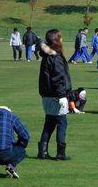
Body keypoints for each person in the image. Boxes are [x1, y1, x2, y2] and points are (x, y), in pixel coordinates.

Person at [38, 29, 72, 161]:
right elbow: (58, 78)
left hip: (47, 96)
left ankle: (43, 152)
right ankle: (60, 153)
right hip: (56, 96)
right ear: (56, 40)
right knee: (61, 123)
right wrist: (61, 95)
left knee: (49, 123)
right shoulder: (55, 57)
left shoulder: (47, 56)